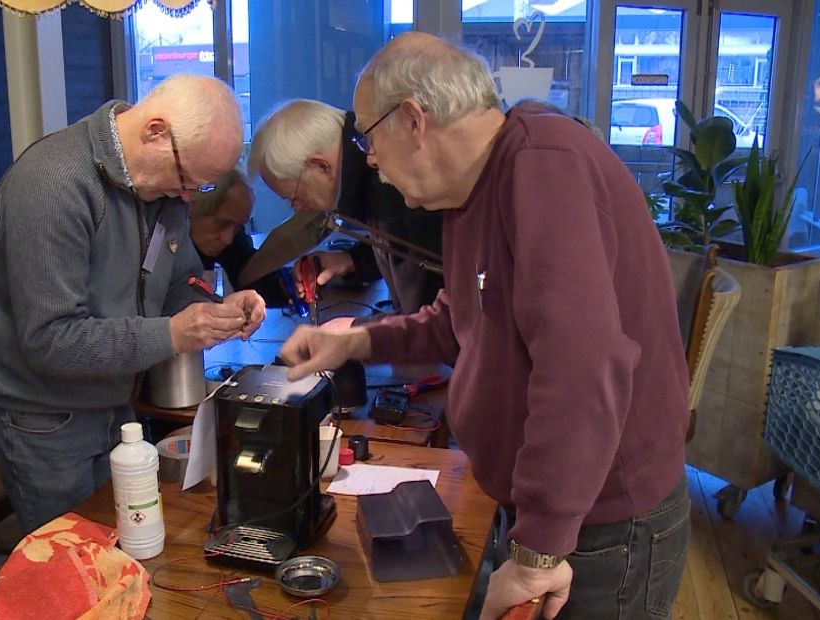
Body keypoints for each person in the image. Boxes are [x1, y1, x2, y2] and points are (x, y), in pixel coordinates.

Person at [278, 33, 690, 620]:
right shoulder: (471, 195)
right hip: (543, 512)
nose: (372, 161)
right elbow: (460, 318)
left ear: (413, 120)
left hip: (601, 529)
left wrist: (538, 552)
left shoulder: (544, 165)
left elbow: (581, 369)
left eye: (369, 140)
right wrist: (353, 342)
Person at [0, 75, 266, 533]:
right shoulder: (53, 184)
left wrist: (218, 310)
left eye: (201, 188)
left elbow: (179, 285)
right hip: (42, 416)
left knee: (123, 543)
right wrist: (171, 334)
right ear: (155, 131)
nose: (188, 196)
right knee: (69, 561)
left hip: (114, 400)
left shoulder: (163, 191)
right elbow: (51, 340)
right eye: (188, 179)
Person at [248, 98, 444, 316]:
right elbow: (405, 248)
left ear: (321, 166)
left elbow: (429, 320)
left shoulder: (393, 190)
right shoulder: (370, 180)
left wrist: (359, 332)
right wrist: (351, 261)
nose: (297, 209)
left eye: (294, 197)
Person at [188, 167, 288, 307]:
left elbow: (252, 275)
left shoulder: (231, 237)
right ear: (192, 207)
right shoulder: (161, 239)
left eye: (238, 228)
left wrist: (288, 284)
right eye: (222, 223)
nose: (227, 239)